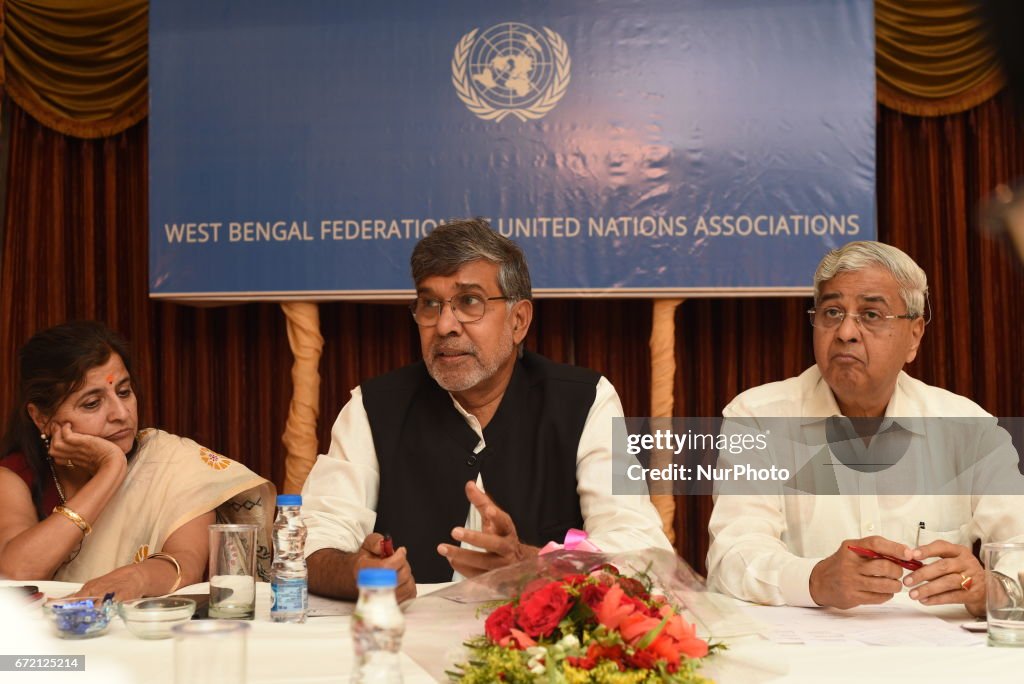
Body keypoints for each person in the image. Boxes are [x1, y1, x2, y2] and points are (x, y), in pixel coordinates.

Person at [302, 218, 672, 601]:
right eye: (430, 304)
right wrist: (358, 573)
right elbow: (311, 540)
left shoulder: (584, 401)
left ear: (519, 320)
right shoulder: (374, 406)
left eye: (469, 302)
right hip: (406, 643)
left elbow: (641, 554)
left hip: (539, 650)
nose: (445, 325)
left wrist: (528, 564)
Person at [706, 241, 1024, 616]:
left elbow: (1018, 546)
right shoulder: (758, 417)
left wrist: (985, 588)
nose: (845, 332)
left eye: (871, 314)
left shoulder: (970, 429)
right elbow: (731, 558)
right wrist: (815, 579)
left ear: (915, 335)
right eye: (832, 312)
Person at [0, 321, 274, 599]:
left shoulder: (174, 465)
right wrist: (111, 470)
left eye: (123, 392)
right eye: (92, 403)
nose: (121, 413)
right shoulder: (17, 476)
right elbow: (15, 575)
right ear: (41, 418)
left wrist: (139, 578)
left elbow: (186, 561)